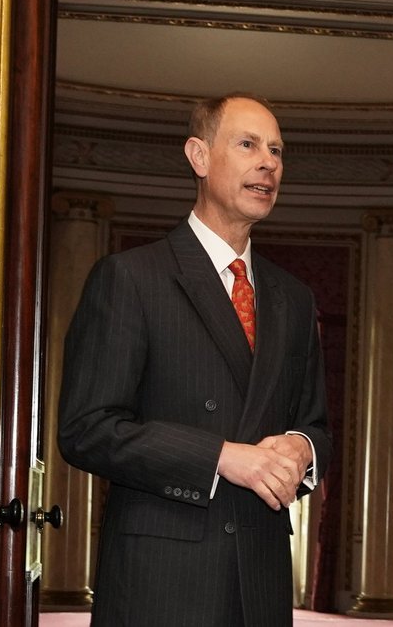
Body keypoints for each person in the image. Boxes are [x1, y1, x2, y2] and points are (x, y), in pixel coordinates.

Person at [59, 93, 333, 626]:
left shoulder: (294, 298)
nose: (268, 163)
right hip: (162, 583)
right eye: (248, 144)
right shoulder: (131, 278)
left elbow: (316, 424)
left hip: (260, 581)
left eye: (277, 150)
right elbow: (86, 429)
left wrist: (303, 449)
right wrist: (220, 457)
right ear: (199, 156)